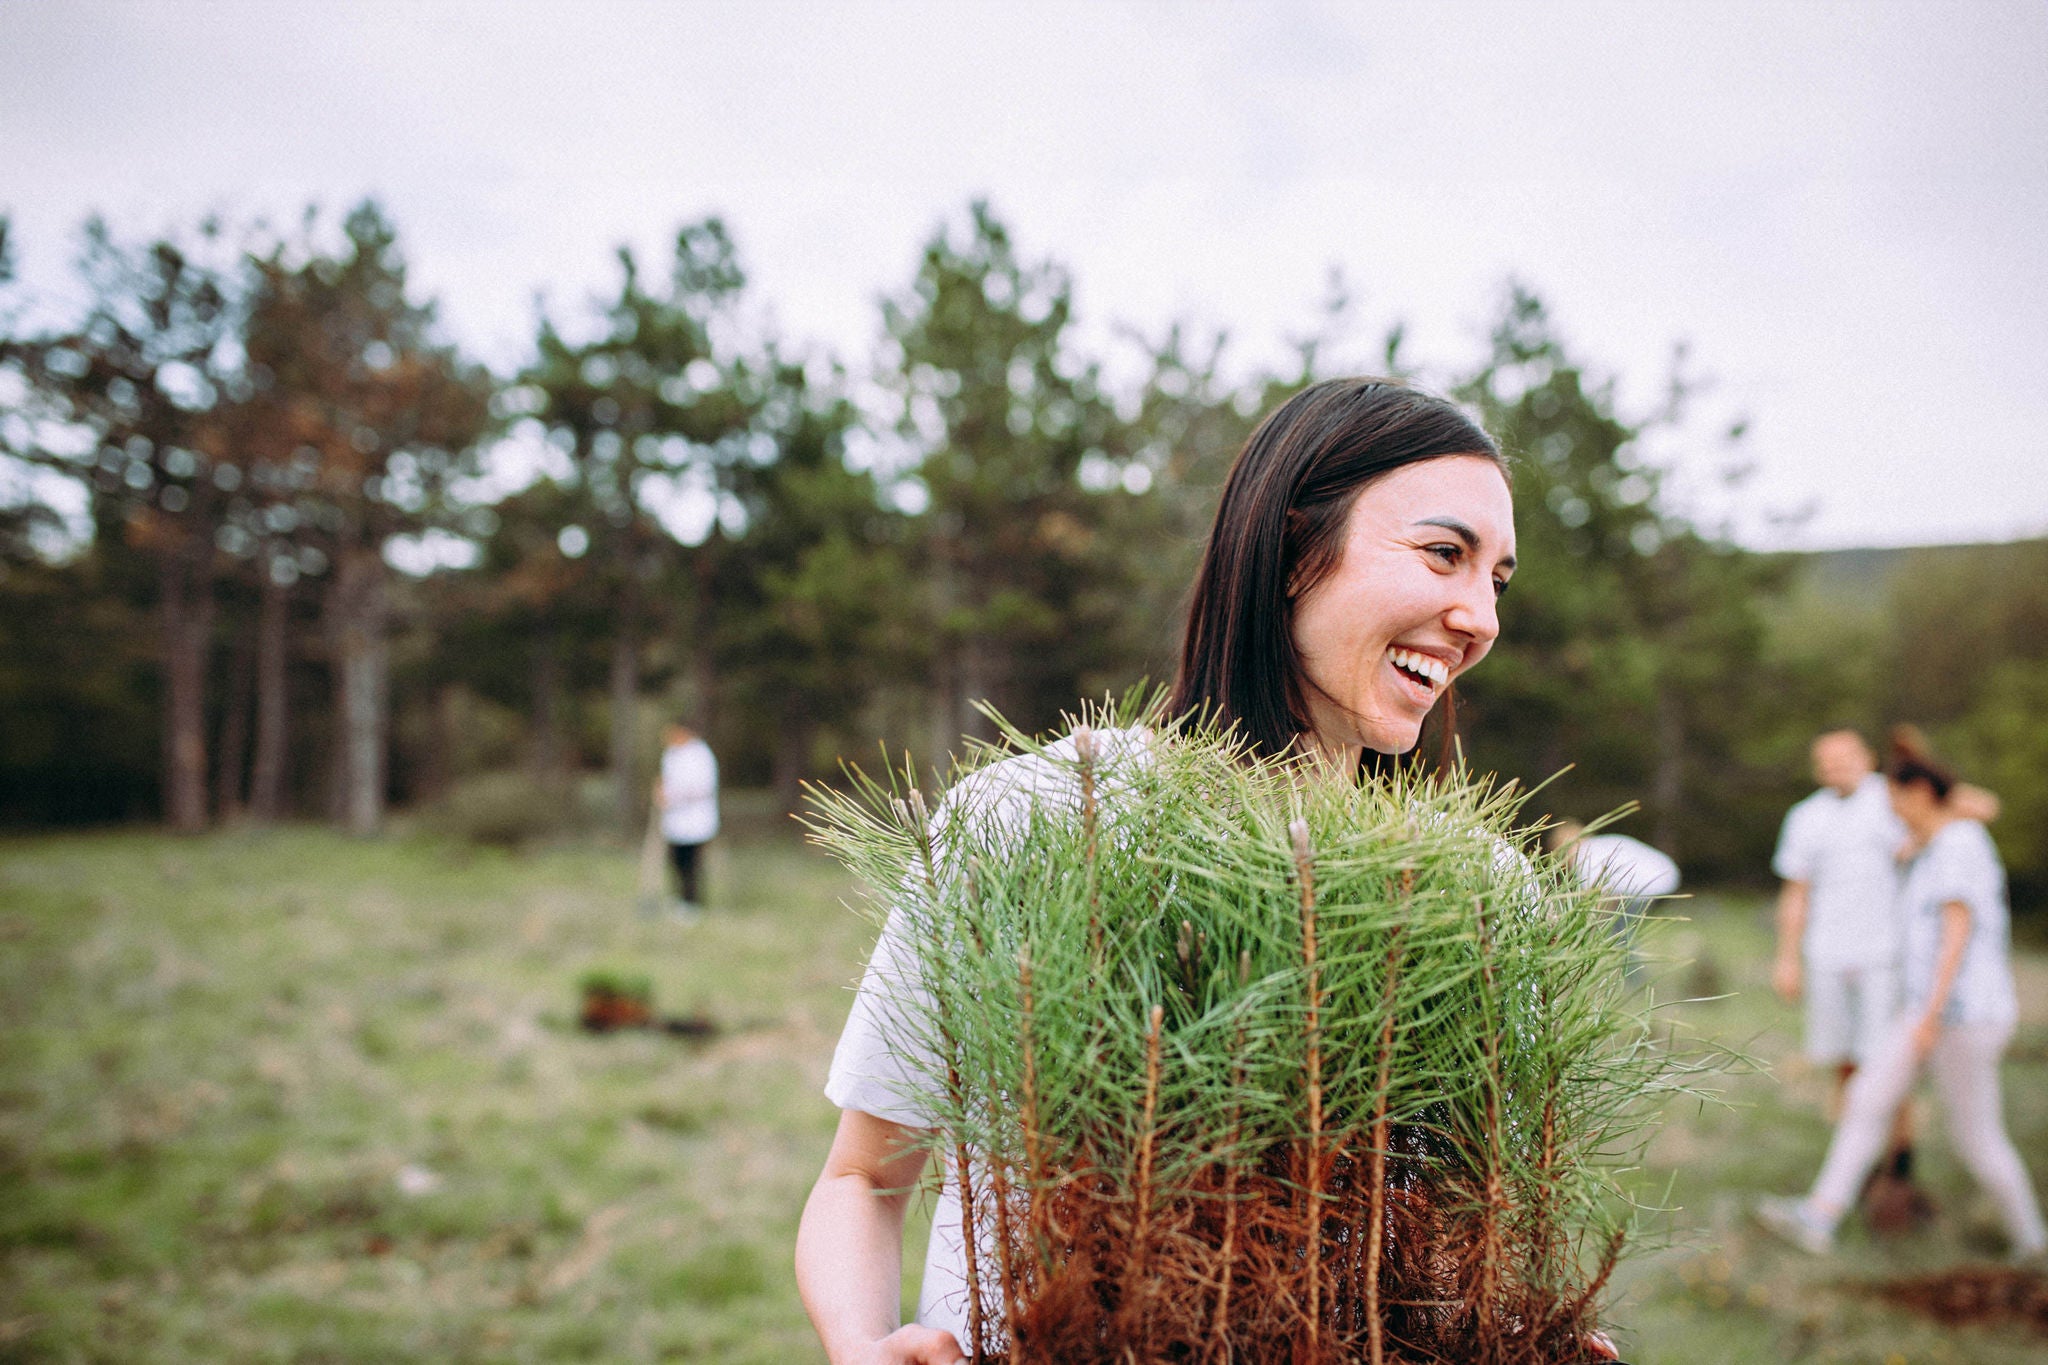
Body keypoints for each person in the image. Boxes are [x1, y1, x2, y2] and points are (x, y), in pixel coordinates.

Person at [795, 379, 1526, 1365]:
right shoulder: (1035, 821)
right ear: (1290, 551)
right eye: (1444, 553)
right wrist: (859, 1344)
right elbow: (863, 1181)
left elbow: (1465, 1243)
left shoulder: (1476, 898)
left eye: (1497, 581)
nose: (1477, 615)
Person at [1755, 737, 2047, 1261]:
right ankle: (1818, 1218)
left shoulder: (1960, 844)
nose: (1892, 817)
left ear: (1917, 795)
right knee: (1867, 1098)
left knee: (1976, 1137)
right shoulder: (1931, 846)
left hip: (1962, 1017)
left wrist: (1930, 1017)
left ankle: (2031, 1239)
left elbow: (1958, 933)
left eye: (1897, 805)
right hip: (1927, 1013)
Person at [1770, 730, 1911, 1117]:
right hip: (1828, 950)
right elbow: (1796, 891)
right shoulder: (1805, 816)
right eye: (1827, 762)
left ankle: (1898, 1154)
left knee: (1887, 1057)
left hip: (1887, 950)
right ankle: (1854, 1144)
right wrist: (1787, 958)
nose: (1837, 768)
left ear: (1867, 758)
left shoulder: (1895, 798)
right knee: (1841, 1054)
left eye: (1845, 758)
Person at [1550, 820, 1680, 980]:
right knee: (1621, 929)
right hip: (1660, 877)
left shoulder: (1585, 855)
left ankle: (1634, 977)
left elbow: (1593, 897)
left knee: (1622, 931)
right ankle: (1632, 974)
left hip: (1648, 885)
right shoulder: (1600, 845)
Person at [655, 721, 718, 912]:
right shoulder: (671, 754)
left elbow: (702, 788)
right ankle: (680, 898)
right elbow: (667, 780)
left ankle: (692, 903)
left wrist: (673, 795)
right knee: (676, 861)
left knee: (691, 864)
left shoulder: (700, 755)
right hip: (675, 820)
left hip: (695, 820)